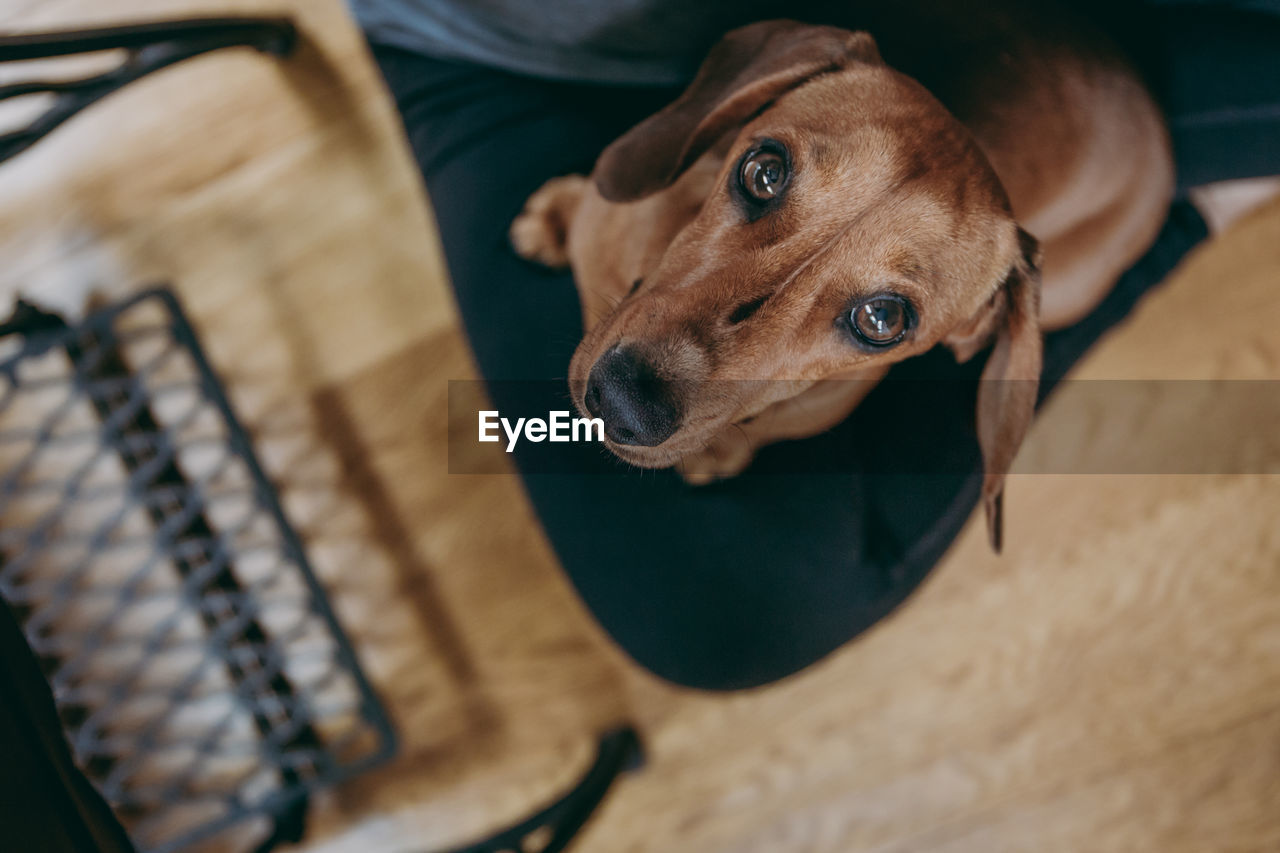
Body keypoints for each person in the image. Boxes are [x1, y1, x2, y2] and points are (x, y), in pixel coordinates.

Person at [350, 0, 1280, 689]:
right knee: (536, 433)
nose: (663, 367)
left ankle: (1175, 217)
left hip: (1104, 172)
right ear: (739, 111)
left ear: (976, 334)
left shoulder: (997, 283)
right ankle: (1216, 191)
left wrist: (739, 427)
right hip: (479, 44)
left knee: (715, 620)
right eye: (766, 175)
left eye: (880, 316)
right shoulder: (808, 87)